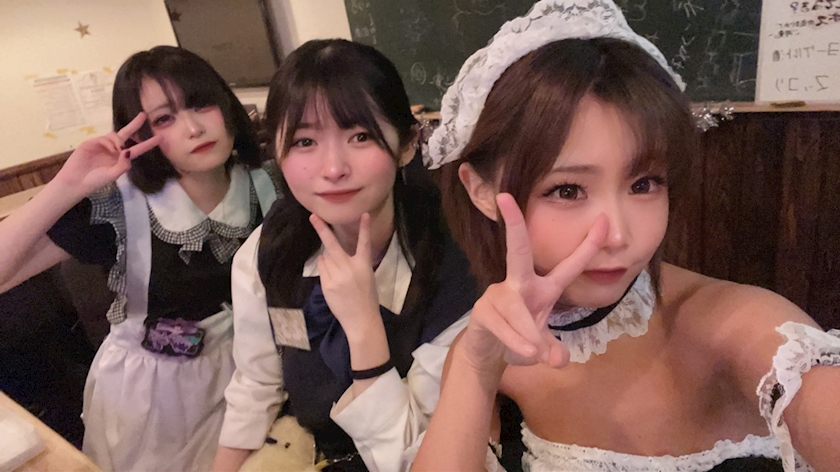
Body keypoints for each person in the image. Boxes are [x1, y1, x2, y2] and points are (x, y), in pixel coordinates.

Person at [410, 1, 840, 471]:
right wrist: (475, 370)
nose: (617, 235)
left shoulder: (730, 325)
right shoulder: (484, 352)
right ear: (481, 191)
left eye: (644, 184)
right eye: (568, 190)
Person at [0, 46, 278, 471]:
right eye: (164, 119)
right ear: (138, 134)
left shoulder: (271, 186)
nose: (193, 128)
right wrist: (67, 185)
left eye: (201, 104)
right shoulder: (121, 205)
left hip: (252, 382)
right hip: (153, 398)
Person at [214, 39, 477, 472]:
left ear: (407, 144)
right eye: (304, 141)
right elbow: (258, 384)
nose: (333, 168)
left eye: (360, 136)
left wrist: (363, 327)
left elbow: (418, 454)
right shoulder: (267, 252)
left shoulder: (458, 266)